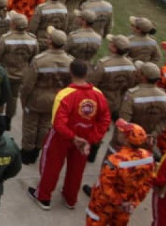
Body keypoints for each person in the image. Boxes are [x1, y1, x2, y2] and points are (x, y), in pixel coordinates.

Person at [28, 59, 111, 211]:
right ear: (87, 74)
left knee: (51, 166)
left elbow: (58, 123)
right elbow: (105, 120)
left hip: (62, 138)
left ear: (70, 73)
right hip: (85, 137)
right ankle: (70, 198)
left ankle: (44, 196)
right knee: (77, 170)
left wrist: (73, 137)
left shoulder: (65, 94)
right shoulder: (99, 95)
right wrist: (90, 139)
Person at [82, 119, 155, 226]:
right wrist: (134, 202)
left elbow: (105, 187)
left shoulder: (115, 160)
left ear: (126, 140)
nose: (118, 133)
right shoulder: (148, 158)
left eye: (121, 132)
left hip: (103, 205)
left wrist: (119, 202)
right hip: (126, 205)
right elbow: (147, 183)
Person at [19, 29, 73, 163]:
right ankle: (38, 149)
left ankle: (27, 153)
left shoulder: (39, 60)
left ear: (50, 41)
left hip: (37, 97)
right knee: (45, 124)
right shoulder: (70, 61)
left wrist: (23, 99)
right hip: (56, 98)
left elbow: (28, 84)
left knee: (30, 125)